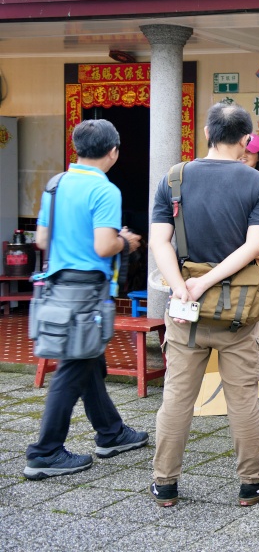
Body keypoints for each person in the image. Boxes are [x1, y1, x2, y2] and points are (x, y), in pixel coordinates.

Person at [148, 102, 259, 508]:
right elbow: (256, 245)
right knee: (242, 399)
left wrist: (182, 286)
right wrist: (207, 281)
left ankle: (165, 484)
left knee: (177, 398)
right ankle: (250, 482)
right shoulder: (257, 184)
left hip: (185, 310)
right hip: (238, 312)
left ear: (206, 132)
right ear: (245, 141)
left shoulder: (174, 178)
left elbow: (159, 241)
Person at [23, 119, 147, 480]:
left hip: (57, 287)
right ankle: (44, 452)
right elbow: (104, 245)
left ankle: (111, 433)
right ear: (113, 152)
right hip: (88, 291)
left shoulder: (56, 185)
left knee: (88, 360)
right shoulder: (105, 190)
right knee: (73, 368)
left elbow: (42, 240)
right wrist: (127, 241)